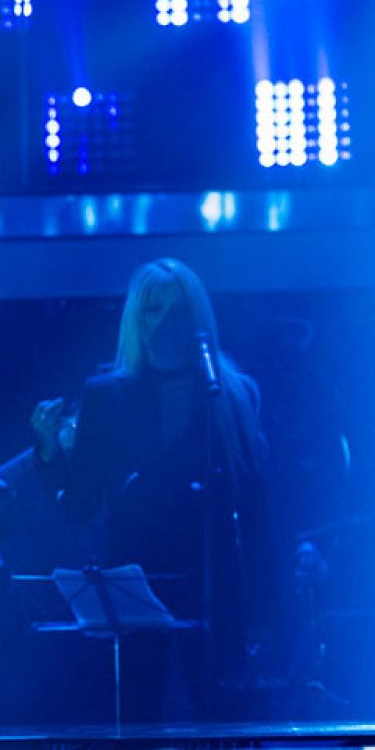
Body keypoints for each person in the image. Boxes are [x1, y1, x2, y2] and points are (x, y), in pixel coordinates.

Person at [32, 258, 270, 720]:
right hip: (138, 587)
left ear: (197, 317)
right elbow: (81, 505)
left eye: (178, 310)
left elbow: (256, 512)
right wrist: (50, 455)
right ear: (135, 319)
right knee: (140, 712)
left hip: (214, 589)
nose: (166, 322)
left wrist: (266, 610)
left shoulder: (231, 394)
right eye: (153, 310)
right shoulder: (108, 396)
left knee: (221, 716)